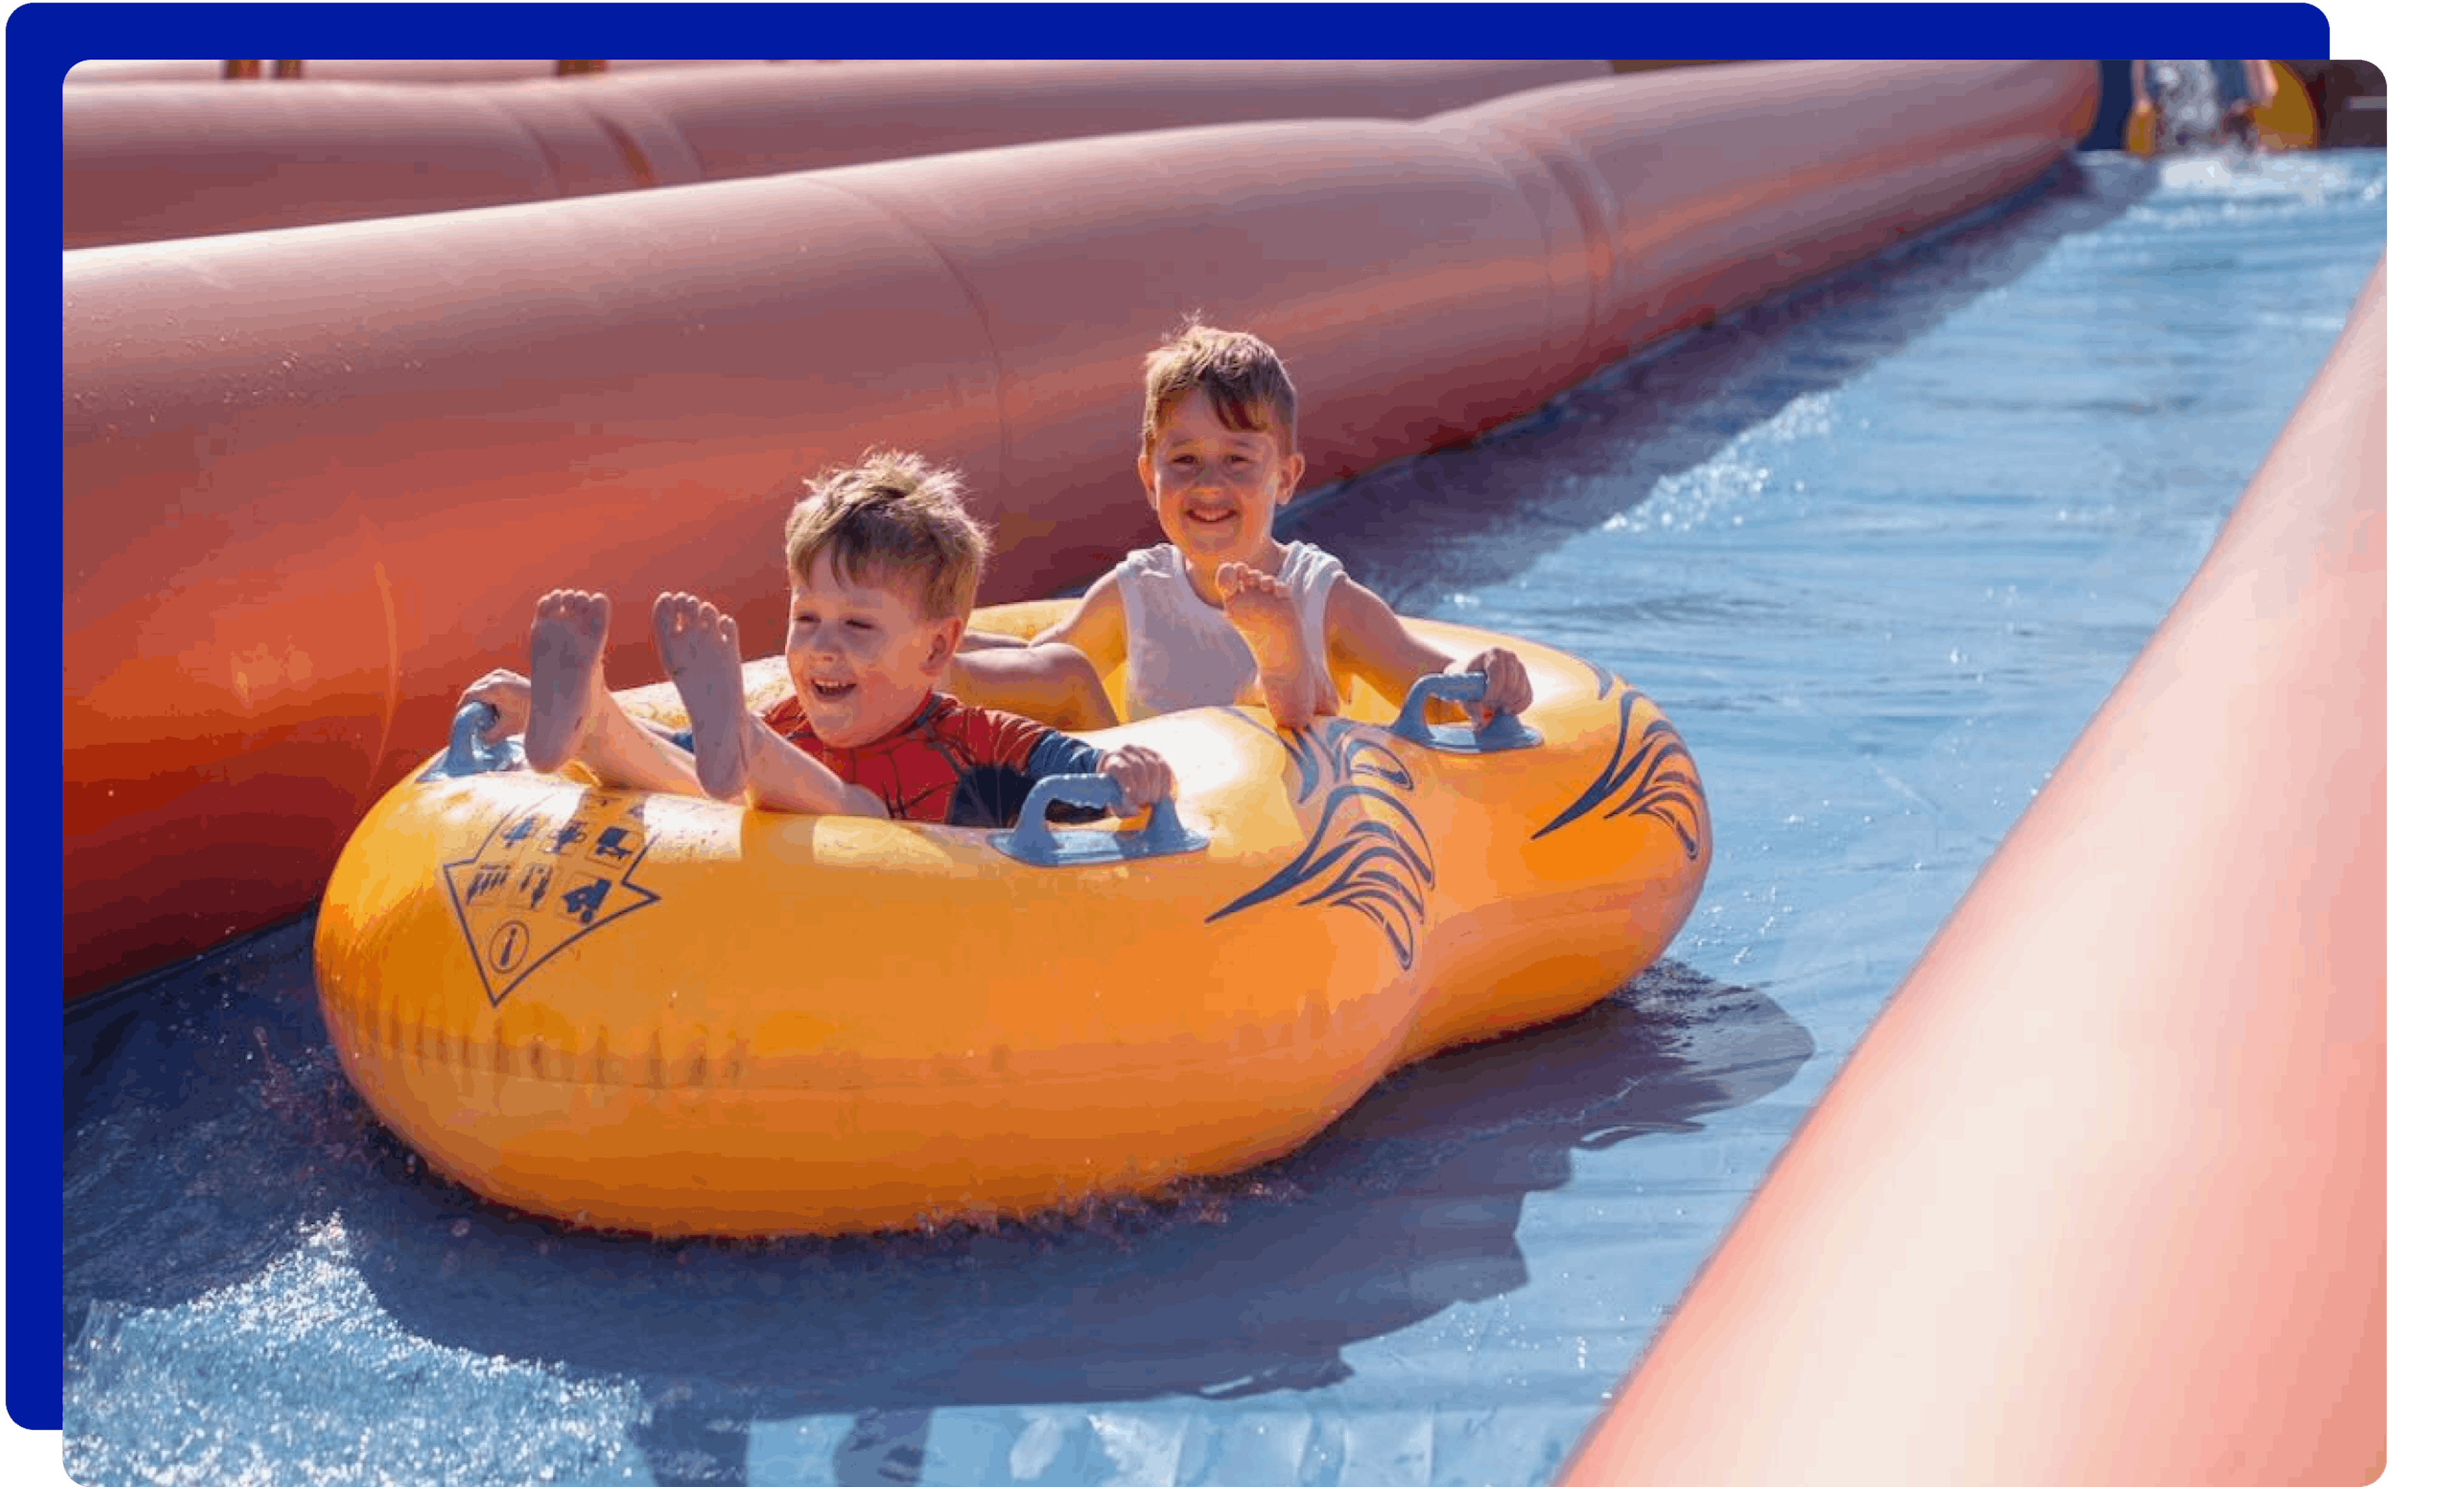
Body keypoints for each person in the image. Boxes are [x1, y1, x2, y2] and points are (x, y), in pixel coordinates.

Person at [458, 451, 1173, 826]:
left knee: (852, 812)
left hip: (921, 896)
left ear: (934, 649)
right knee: (699, 780)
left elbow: (1083, 770)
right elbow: (679, 762)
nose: (824, 647)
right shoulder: (792, 720)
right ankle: (591, 722)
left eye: (859, 625)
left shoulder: (983, 742)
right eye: (807, 620)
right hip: (769, 815)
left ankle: (703, 741)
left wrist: (1133, 775)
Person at [991, 324, 1533, 732]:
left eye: (1238, 460)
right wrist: (948, 649)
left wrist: (1483, 675)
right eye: (1183, 461)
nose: (1208, 484)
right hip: (1161, 826)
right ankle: (1279, 676)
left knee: (1258, 709)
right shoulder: (1133, 592)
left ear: (1286, 479)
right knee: (1063, 667)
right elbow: (1043, 668)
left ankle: (1280, 674)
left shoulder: (1323, 596)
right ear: (1148, 478)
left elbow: (1429, 687)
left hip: (1280, 831)